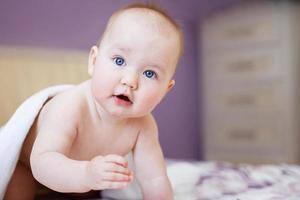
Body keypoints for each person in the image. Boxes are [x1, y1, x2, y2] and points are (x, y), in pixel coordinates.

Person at [4, 3, 183, 200]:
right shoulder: (69, 107)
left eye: (150, 73)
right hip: (30, 167)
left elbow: (154, 179)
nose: (130, 81)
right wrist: (87, 173)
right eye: (119, 61)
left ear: (166, 89)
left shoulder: (144, 126)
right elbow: (42, 163)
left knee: (93, 188)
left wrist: (89, 176)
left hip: (80, 175)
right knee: (18, 187)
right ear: (94, 61)